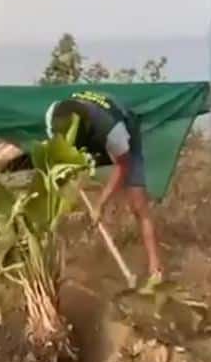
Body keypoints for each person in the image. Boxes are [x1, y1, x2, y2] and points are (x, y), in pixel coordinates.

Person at [45, 91, 163, 282]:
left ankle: (155, 268)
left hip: (122, 127)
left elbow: (123, 166)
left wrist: (101, 204)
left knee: (138, 205)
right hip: (93, 127)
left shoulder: (113, 131)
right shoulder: (57, 115)